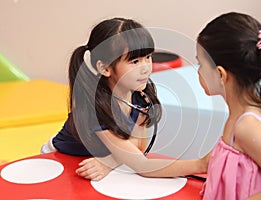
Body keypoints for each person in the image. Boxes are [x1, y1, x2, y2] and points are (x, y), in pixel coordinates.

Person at [41, 17, 209, 181]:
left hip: (95, 159)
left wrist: (108, 162)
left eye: (148, 57)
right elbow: (142, 166)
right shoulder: (95, 109)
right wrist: (200, 165)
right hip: (60, 158)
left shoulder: (140, 96)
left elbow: (139, 147)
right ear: (105, 68)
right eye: (135, 61)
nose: (145, 68)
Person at [196, 12, 261, 199]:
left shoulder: (247, 126)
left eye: (200, 64)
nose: (199, 71)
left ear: (220, 74)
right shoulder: (241, 114)